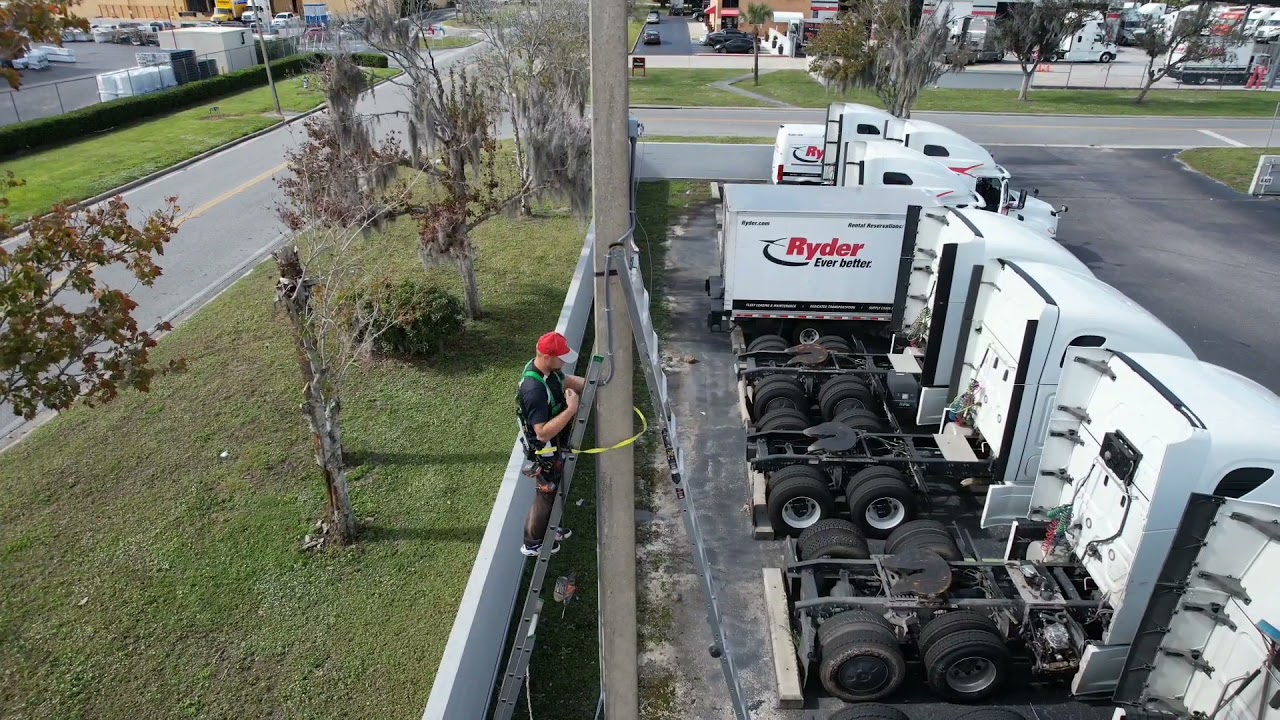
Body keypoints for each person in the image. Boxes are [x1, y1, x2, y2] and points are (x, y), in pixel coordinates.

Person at [516, 331, 587, 557]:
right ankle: (532, 543)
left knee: (553, 492)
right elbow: (542, 433)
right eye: (561, 357)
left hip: (555, 445)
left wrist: (592, 385)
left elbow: (564, 380)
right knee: (546, 494)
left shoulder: (547, 370)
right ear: (547, 356)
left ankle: (549, 529)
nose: (564, 361)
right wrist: (571, 409)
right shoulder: (534, 390)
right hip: (546, 450)